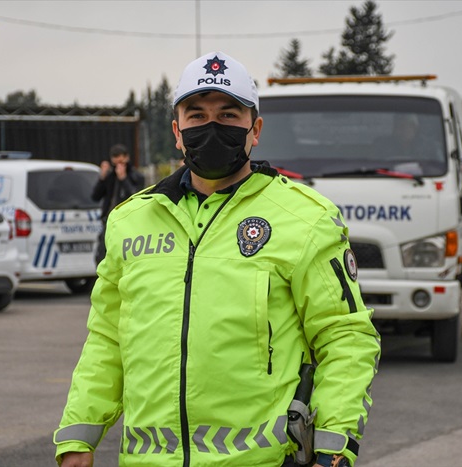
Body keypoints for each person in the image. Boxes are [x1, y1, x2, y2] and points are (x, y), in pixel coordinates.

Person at [54, 51, 380, 467]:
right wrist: (78, 437)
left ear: (255, 128)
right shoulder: (130, 221)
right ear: (177, 130)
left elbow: (346, 337)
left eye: (228, 115)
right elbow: (106, 339)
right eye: (197, 115)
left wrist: (334, 448)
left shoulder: (306, 219)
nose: (211, 127)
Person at [91, 143, 145, 264]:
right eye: (116, 163)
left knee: (125, 255)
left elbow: (136, 196)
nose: (119, 167)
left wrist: (124, 179)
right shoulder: (110, 176)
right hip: (109, 221)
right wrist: (102, 178)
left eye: (122, 163)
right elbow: (95, 196)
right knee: (102, 256)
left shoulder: (136, 176)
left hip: (128, 222)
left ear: (127, 158)